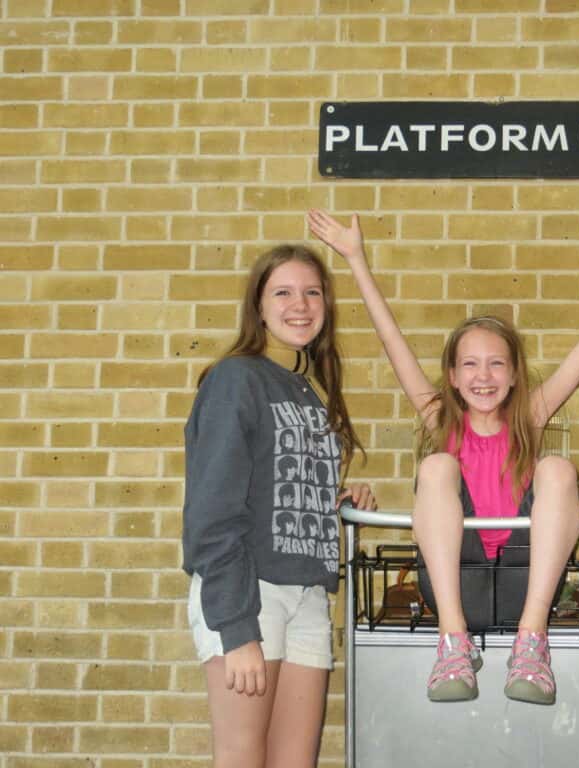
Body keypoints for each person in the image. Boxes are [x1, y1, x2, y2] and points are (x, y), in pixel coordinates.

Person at [307, 207, 579, 706]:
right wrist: (355, 259)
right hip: (457, 587)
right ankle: (453, 644)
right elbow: (391, 339)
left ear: (513, 374)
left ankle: (531, 645)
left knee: (557, 468)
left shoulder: (530, 417)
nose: (483, 376)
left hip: (528, 587)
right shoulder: (444, 420)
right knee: (437, 465)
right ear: (454, 377)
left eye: (496, 364)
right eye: (470, 365)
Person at [181, 243, 377, 768]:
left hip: (308, 596)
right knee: (242, 758)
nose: (301, 304)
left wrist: (331, 502)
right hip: (250, 594)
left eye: (313, 292)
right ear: (259, 306)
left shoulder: (306, 388)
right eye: (284, 292)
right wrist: (237, 628)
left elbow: (270, 488)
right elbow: (211, 512)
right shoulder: (235, 379)